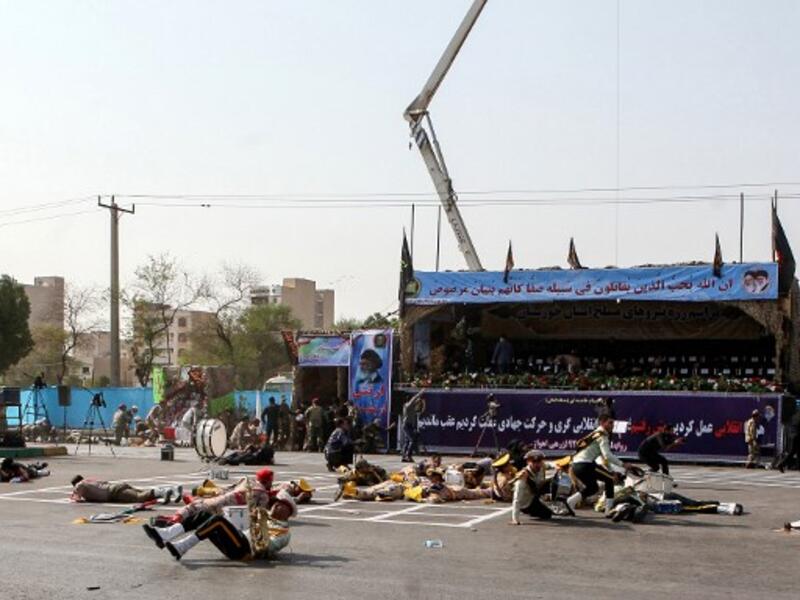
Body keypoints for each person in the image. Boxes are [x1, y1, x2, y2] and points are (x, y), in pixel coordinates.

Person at [142, 468, 276, 549]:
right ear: (267, 481)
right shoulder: (263, 494)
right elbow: (260, 513)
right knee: (200, 516)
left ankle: (168, 527)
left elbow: (228, 489)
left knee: (195, 508)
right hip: (230, 512)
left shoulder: (246, 480)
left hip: (222, 500)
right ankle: (168, 530)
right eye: (271, 481)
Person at [164, 489, 297, 561]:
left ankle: (183, 546)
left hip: (246, 551)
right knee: (205, 516)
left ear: (287, 513)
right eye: (275, 503)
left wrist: (258, 526)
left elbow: (266, 548)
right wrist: (250, 518)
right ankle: (169, 533)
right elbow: (244, 527)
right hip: (237, 543)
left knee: (218, 521)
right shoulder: (265, 515)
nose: (275, 506)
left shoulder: (284, 532)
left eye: (280, 505)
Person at [565, 413, 632, 516]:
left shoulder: (595, 433)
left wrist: (610, 470)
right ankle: (608, 510)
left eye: (613, 423)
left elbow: (603, 458)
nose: (612, 425)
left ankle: (570, 502)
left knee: (593, 488)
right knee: (609, 480)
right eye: (610, 423)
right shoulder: (603, 435)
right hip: (585, 465)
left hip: (576, 466)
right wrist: (623, 465)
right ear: (602, 422)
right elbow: (608, 455)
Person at [510, 450, 554, 524]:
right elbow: (517, 499)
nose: (537, 464)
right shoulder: (523, 477)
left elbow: (551, 465)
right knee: (547, 514)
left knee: (554, 481)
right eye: (533, 462)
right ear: (528, 462)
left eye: (539, 461)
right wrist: (515, 519)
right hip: (527, 503)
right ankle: (528, 511)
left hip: (535, 493)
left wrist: (560, 466)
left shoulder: (541, 468)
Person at [71, 475, 180, 503]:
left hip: (114, 492)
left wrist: (74, 494)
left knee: (139, 497)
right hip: (116, 486)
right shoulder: (89, 481)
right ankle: (169, 489)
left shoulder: (79, 485)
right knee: (143, 493)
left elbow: (77, 498)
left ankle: (163, 491)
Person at [401, 391, 426, 463]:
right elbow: (414, 399)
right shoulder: (408, 406)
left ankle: (404, 456)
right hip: (406, 425)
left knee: (407, 441)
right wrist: (421, 392)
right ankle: (408, 455)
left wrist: (423, 403)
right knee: (412, 439)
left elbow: (421, 411)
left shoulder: (412, 408)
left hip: (410, 425)